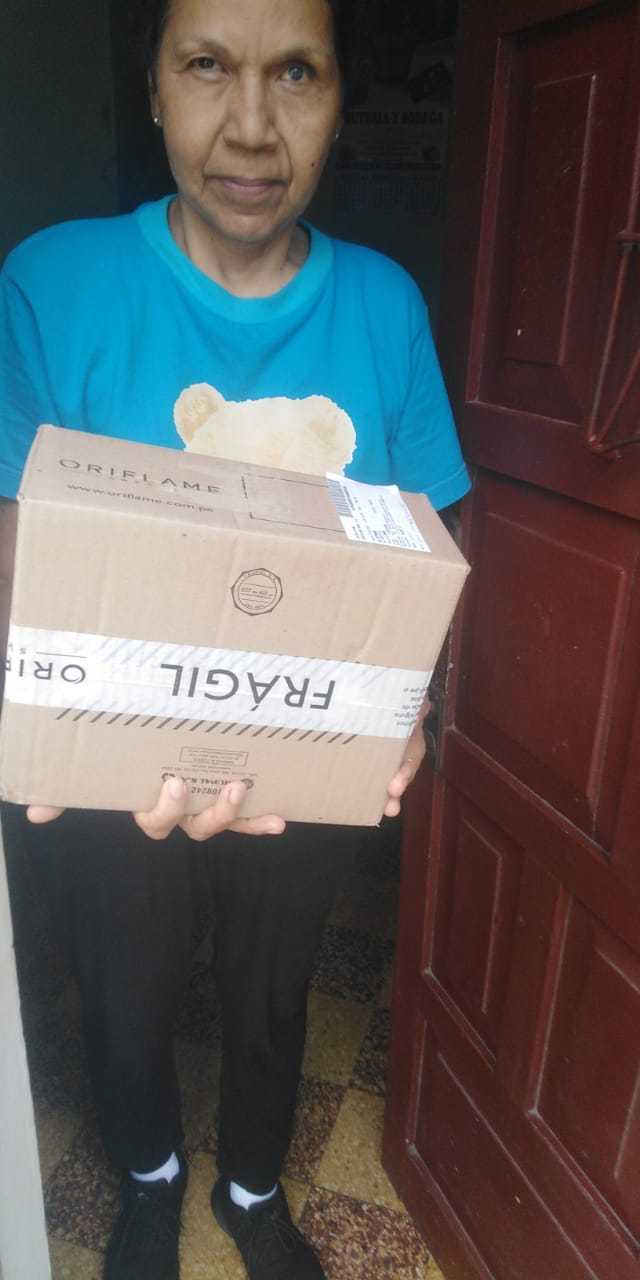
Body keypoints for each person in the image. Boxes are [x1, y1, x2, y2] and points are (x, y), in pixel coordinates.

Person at [0, 0, 470, 1276]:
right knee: (125, 983)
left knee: (273, 984)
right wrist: (52, 722)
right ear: (153, 85)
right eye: (207, 64)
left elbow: (430, 541)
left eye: (295, 72)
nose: (251, 125)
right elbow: (20, 543)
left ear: (340, 97)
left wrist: (413, 712)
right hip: (116, 756)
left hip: (306, 759)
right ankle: (149, 1176)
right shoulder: (52, 283)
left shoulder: (383, 306)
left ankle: (255, 1189)